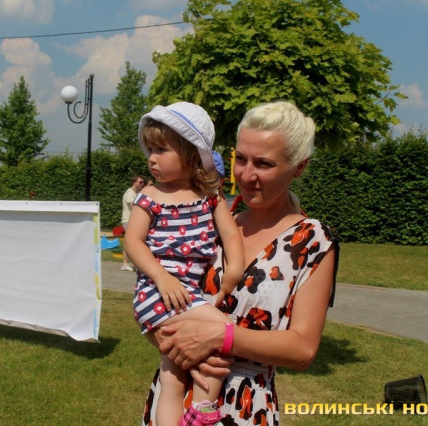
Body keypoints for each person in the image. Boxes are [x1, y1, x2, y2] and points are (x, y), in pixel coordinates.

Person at [141, 101, 339, 425]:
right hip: (175, 390)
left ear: (299, 167)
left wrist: (221, 337)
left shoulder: (312, 241)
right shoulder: (214, 220)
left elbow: (303, 349)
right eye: (241, 159)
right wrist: (166, 338)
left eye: (264, 163)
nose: (246, 175)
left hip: (243, 406)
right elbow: (159, 289)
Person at [125, 102, 245, 425]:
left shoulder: (209, 195)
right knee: (224, 331)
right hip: (158, 294)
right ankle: (204, 411)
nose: (151, 158)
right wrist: (161, 277)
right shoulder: (150, 196)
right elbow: (133, 242)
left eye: (161, 149)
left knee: (173, 376)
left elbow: (230, 235)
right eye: (150, 149)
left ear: (191, 154)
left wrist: (233, 272)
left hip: (185, 297)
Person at [120, 174, 146, 271]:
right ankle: (125, 264)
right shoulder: (130, 193)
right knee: (130, 242)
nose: (142, 184)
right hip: (128, 220)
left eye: (143, 182)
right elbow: (134, 208)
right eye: (140, 182)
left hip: (132, 221)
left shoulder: (136, 193)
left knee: (132, 242)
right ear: (134, 182)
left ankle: (130, 264)